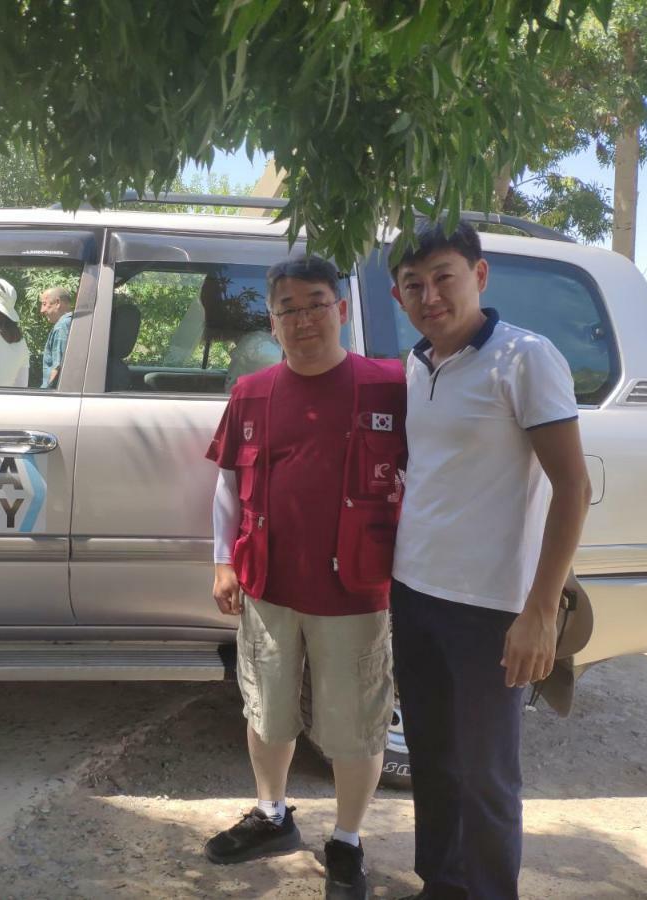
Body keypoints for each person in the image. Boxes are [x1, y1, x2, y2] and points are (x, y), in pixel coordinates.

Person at [388, 222, 592, 900]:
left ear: (479, 276)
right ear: (398, 294)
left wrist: (539, 611)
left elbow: (573, 487)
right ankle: (441, 885)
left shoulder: (524, 359)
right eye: (414, 285)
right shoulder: (417, 366)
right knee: (434, 763)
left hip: (492, 609)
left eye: (443, 277)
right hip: (415, 595)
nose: (430, 295)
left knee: (487, 777)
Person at [203, 255, 407, 900]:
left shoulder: (390, 387)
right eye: (287, 307)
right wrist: (223, 560)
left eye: (316, 303)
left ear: (342, 309)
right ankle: (271, 813)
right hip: (268, 586)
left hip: (356, 591)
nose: (302, 318)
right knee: (267, 711)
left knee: (355, 724)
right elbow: (228, 484)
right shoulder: (251, 392)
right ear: (272, 320)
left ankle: (346, 840)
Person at [39, 286, 74, 388]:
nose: (42, 310)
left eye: (45, 304)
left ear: (58, 303)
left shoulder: (61, 326)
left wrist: (45, 396)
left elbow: (58, 367)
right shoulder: (73, 322)